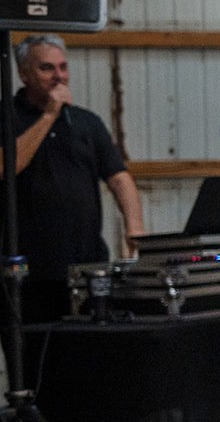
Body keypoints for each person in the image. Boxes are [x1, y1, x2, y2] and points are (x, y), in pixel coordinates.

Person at [3, 34, 144, 325]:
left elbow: (118, 178)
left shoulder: (86, 122)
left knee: (87, 356)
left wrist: (135, 228)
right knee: (32, 357)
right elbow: (8, 166)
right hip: (28, 271)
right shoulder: (7, 116)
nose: (59, 76)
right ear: (23, 74)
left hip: (86, 265)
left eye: (63, 67)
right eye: (47, 68)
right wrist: (49, 116)